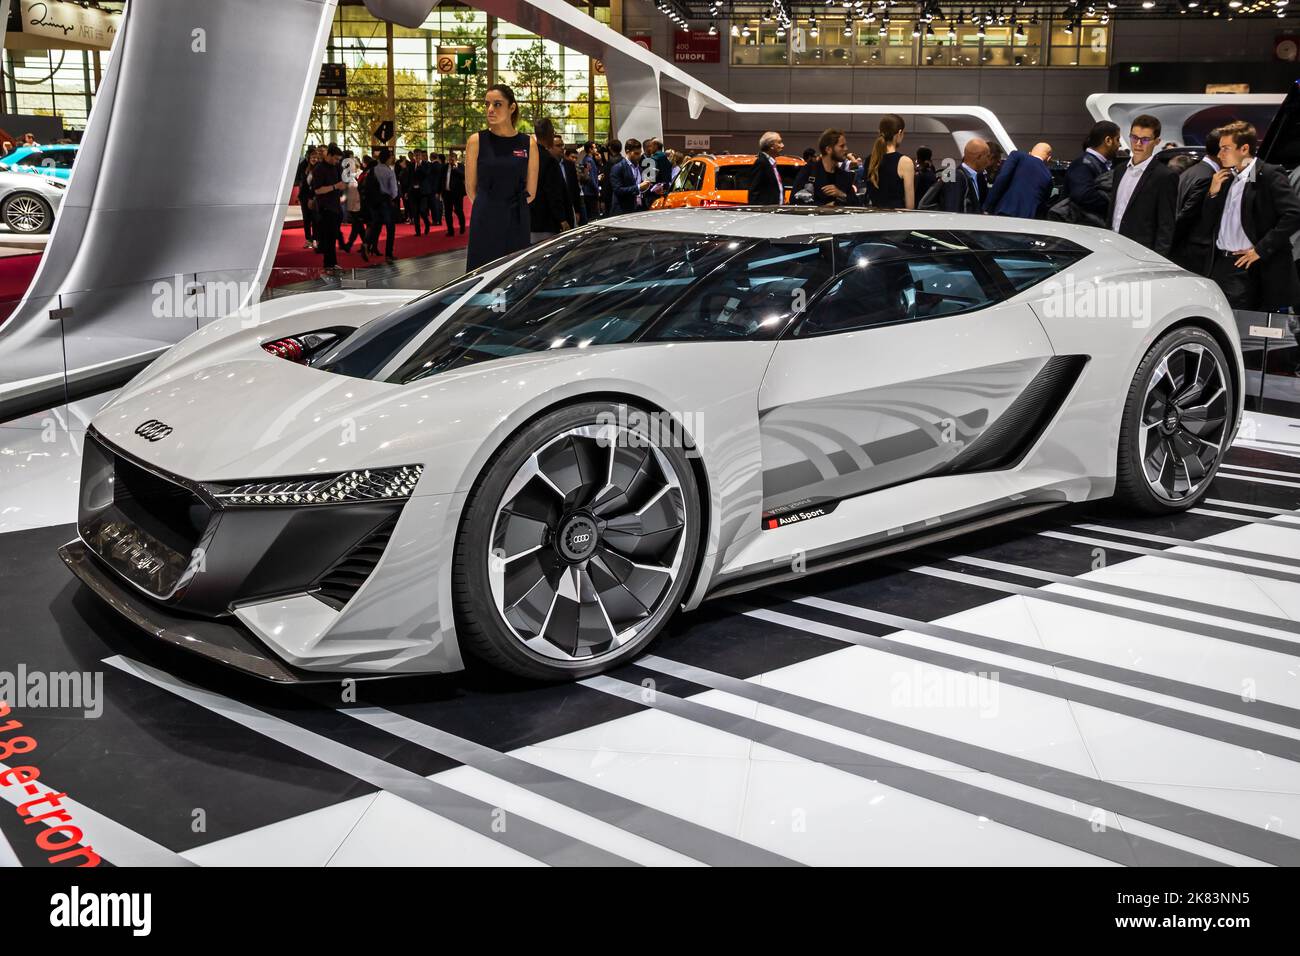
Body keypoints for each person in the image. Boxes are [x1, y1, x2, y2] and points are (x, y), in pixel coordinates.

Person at [1204, 120, 1300, 312]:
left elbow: (1294, 214)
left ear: (1244, 148)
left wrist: (1261, 249)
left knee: (1246, 331)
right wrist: (1212, 194)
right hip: (1222, 265)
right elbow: (1209, 221)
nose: (1220, 154)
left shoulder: (1269, 175)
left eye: (1225, 148)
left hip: (1252, 267)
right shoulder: (1226, 178)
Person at [465, 84, 538, 270]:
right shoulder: (476, 141)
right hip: (485, 217)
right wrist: (490, 206)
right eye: (487, 104)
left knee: (514, 274)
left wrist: (511, 208)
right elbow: (471, 189)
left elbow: (531, 191)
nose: (490, 109)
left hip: (517, 218)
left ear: (511, 108)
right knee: (482, 273)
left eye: (497, 104)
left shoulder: (528, 143)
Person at [1108, 115, 1178, 258]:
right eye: (1134, 137)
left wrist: (1158, 260)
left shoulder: (1164, 176)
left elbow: (1166, 225)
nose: (1138, 143)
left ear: (1157, 141)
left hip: (1141, 253)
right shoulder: (1120, 170)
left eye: (1145, 139)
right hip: (1111, 246)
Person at [1052, 121, 1120, 226]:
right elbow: (1083, 195)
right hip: (1079, 229)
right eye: (1117, 139)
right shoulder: (1083, 164)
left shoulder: (1093, 163)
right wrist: (1114, 204)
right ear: (1108, 140)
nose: (1119, 145)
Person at [1173, 131, 1221, 274]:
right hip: (1193, 251)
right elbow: (1187, 215)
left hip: (1182, 248)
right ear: (1220, 151)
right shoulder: (1208, 177)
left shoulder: (1192, 171)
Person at [920, 137, 990, 214]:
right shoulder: (956, 177)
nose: (988, 161)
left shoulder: (976, 177)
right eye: (987, 156)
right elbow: (952, 212)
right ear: (979, 157)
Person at [529, 119, 572, 242]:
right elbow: (553, 192)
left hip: (530, 219)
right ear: (550, 133)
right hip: (546, 221)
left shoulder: (529, 156)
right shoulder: (548, 160)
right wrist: (562, 219)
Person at [985, 142, 1054, 219]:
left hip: (1005, 211)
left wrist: (987, 207)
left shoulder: (1017, 156)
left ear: (1030, 153)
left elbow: (1002, 179)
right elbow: (1043, 204)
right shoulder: (1048, 176)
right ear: (1048, 158)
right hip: (1028, 219)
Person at [795, 128, 860, 207]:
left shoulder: (844, 177)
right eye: (842, 146)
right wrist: (823, 208)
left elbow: (857, 205)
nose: (846, 149)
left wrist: (842, 194)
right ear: (828, 149)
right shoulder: (809, 171)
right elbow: (795, 200)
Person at [862, 114, 914, 209]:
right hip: (896, 221)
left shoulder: (870, 160)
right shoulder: (905, 162)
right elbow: (910, 205)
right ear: (899, 133)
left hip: (873, 219)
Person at [311, 144, 346, 274]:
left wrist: (340, 188)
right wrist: (335, 186)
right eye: (336, 158)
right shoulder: (319, 169)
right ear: (329, 155)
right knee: (328, 238)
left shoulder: (335, 167)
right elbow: (318, 190)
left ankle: (333, 263)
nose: (337, 161)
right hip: (325, 208)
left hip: (335, 206)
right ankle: (328, 265)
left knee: (333, 237)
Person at [364, 147, 398, 263]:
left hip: (374, 202)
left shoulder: (373, 170)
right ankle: (388, 254)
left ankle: (367, 244)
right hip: (385, 201)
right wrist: (391, 198)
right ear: (387, 159)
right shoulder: (389, 172)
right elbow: (394, 192)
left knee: (376, 225)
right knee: (390, 228)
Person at [610, 138, 651, 215]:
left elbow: (641, 188)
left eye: (640, 153)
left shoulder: (639, 168)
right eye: (636, 153)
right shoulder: (618, 167)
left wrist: (650, 189)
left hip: (638, 209)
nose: (639, 156)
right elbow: (618, 190)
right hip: (623, 211)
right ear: (627, 152)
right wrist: (638, 187)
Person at [747, 130, 786, 205]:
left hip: (774, 211)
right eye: (779, 142)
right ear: (771, 146)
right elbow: (754, 191)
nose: (782, 145)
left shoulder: (771, 163)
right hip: (766, 212)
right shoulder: (761, 163)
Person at [295, 146, 319, 249]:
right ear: (308, 158)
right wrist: (299, 196)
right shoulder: (304, 166)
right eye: (312, 157)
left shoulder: (319, 167)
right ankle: (308, 239)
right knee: (306, 219)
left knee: (315, 218)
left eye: (316, 157)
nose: (314, 159)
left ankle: (315, 239)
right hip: (304, 197)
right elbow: (301, 182)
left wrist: (313, 197)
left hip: (315, 197)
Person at [441, 149, 466, 236]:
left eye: (452, 159)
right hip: (447, 193)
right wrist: (439, 191)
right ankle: (450, 231)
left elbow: (464, 176)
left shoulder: (461, 166)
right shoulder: (444, 167)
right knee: (448, 212)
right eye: (449, 159)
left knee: (458, 210)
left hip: (457, 193)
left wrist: (455, 169)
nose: (451, 160)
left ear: (456, 159)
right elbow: (441, 180)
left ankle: (462, 226)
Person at [562, 144, 584, 225]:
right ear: (566, 156)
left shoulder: (575, 167)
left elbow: (576, 187)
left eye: (576, 158)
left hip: (577, 199)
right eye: (572, 157)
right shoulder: (563, 166)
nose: (574, 160)